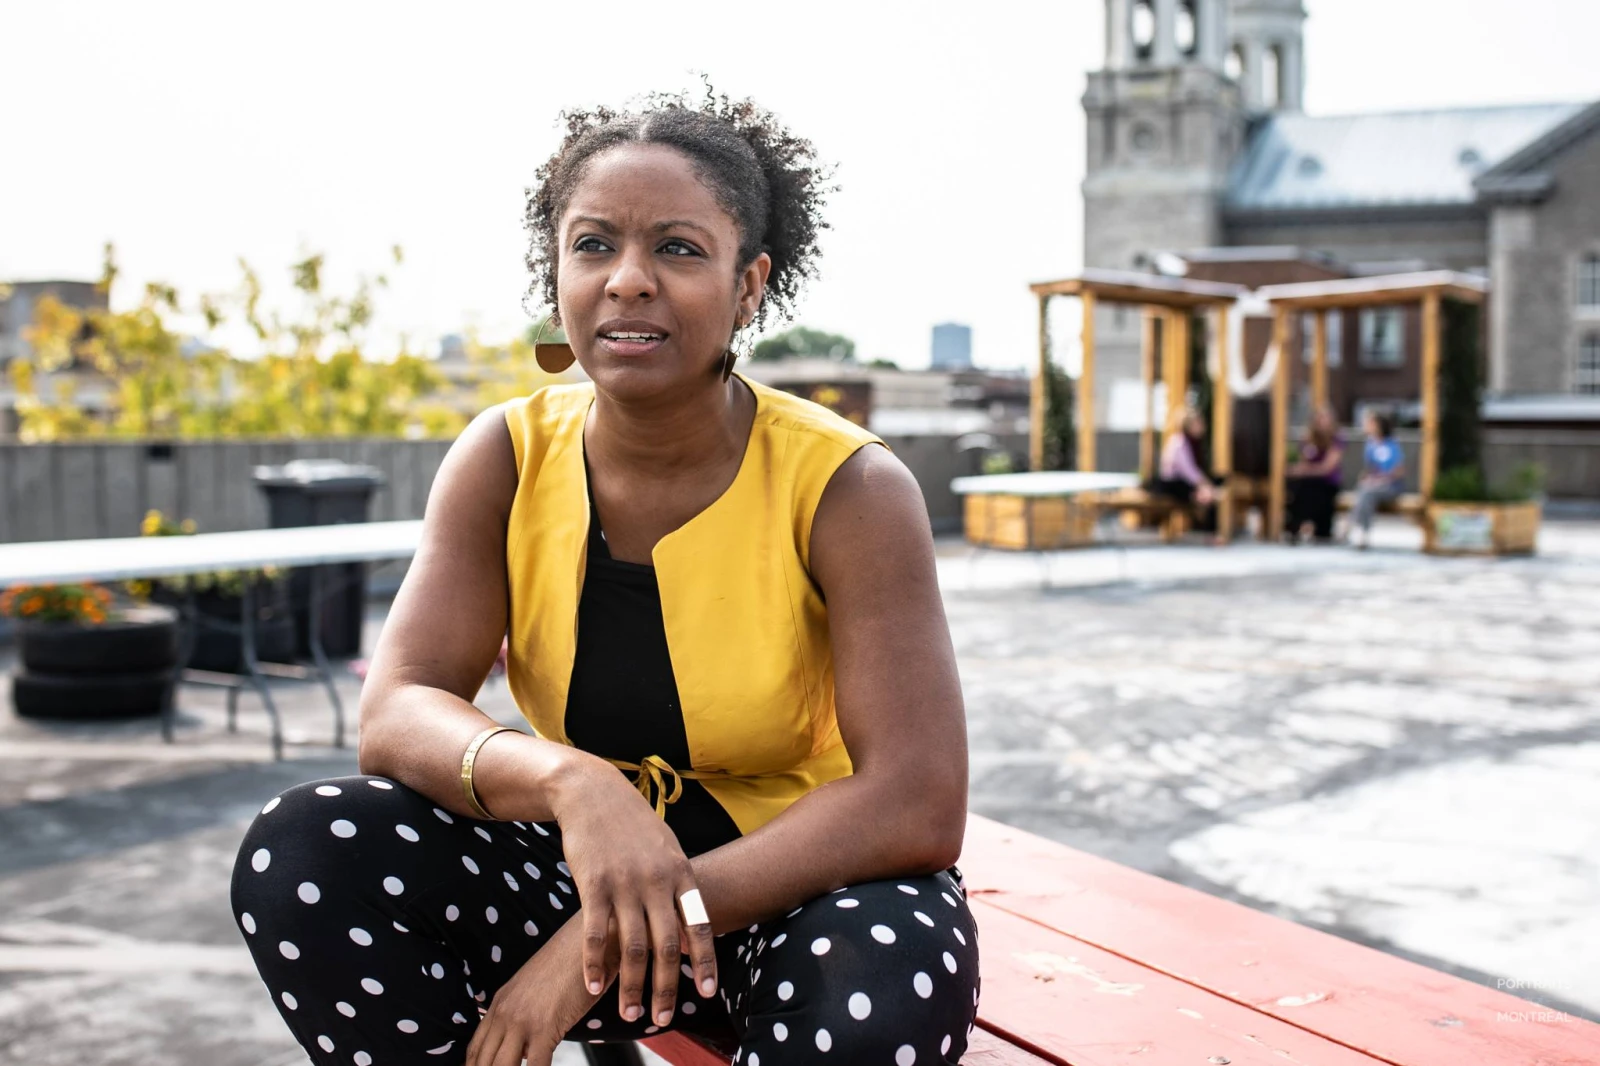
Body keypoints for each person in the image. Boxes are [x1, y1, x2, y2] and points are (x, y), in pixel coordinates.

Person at [231, 92, 978, 1066]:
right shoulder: (505, 456)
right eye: (593, 245)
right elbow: (397, 710)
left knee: (888, 971)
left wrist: (604, 940)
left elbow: (917, 798)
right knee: (307, 852)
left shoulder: (848, 486)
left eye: (677, 248)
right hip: (575, 870)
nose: (628, 280)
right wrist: (571, 782)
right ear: (557, 274)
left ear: (748, 285)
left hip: (788, 898)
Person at [1151, 406, 1219, 533]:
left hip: (1185, 483)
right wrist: (1205, 485)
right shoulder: (1179, 443)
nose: (1202, 426)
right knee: (1208, 492)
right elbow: (1189, 471)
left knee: (1219, 480)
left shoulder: (1194, 443)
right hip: (1174, 485)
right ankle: (1209, 526)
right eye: (1198, 423)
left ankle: (1211, 524)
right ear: (1189, 425)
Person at [1283, 406, 1344, 544]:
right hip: (1309, 480)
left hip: (1327, 482)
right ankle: (1294, 525)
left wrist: (1304, 470)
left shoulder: (1336, 439)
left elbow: (1327, 468)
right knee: (1296, 487)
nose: (1322, 422)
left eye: (1325, 419)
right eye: (1319, 419)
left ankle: (1307, 526)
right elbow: (1303, 461)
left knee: (1310, 490)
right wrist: (1297, 469)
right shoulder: (1308, 439)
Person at [1350, 409, 1405, 549]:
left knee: (1366, 492)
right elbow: (1370, 469)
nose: (1367, 425)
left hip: (1392, 486)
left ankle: (1357, 528)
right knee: (1364, 490)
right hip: (1374, 485)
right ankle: (1360, 529)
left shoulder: (1392, 444)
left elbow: (1399, 470)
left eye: (1370, 422)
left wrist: (1384, 478)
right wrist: (1367, 477)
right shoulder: (1370, 445)